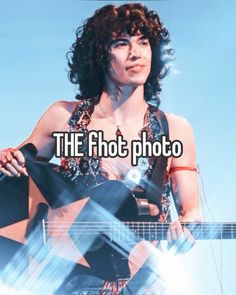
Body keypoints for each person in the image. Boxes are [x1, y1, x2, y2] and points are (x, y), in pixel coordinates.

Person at [0, 3, 202, 294]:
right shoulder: (64, 117)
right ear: (100, 54)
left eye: (143, 42)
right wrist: (8, 161)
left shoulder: (175, 129)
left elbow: (191, 209)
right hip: (72, 278)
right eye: (122, 43)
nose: (136, 53)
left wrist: (187, 228)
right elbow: (19, 174)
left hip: (143, 278)